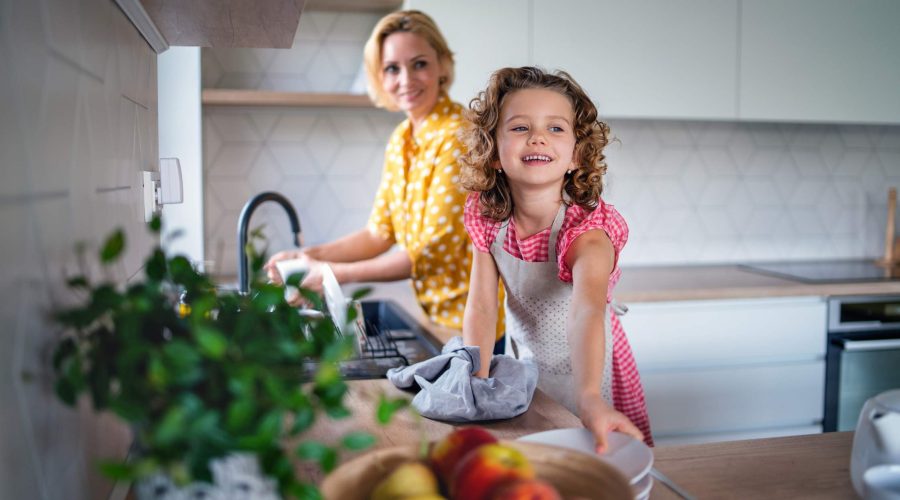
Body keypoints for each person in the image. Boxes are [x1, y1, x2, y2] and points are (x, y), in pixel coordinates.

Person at [265, 10, 504, 342]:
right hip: (441, 318)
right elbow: (380, 233)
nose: (406, 80)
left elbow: (425, 254)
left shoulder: (458, 137)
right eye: (392, 68)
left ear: (442, 66)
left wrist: (332, 274)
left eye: (419, 64)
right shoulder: (402, 139)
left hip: (481, 322)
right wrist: (312, 257)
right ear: (380, 76)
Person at [458, 66, 652, 451]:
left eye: (556, 128)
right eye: (519, 128)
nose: (538, 138)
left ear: (577, 155)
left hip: (592, 377)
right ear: (493, 152)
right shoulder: (488, 218)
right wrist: (476, 384)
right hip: (527, 374)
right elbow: (481, 305)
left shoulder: (588, 232)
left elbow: (586, 313)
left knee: (592, 468)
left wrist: (589, 398)